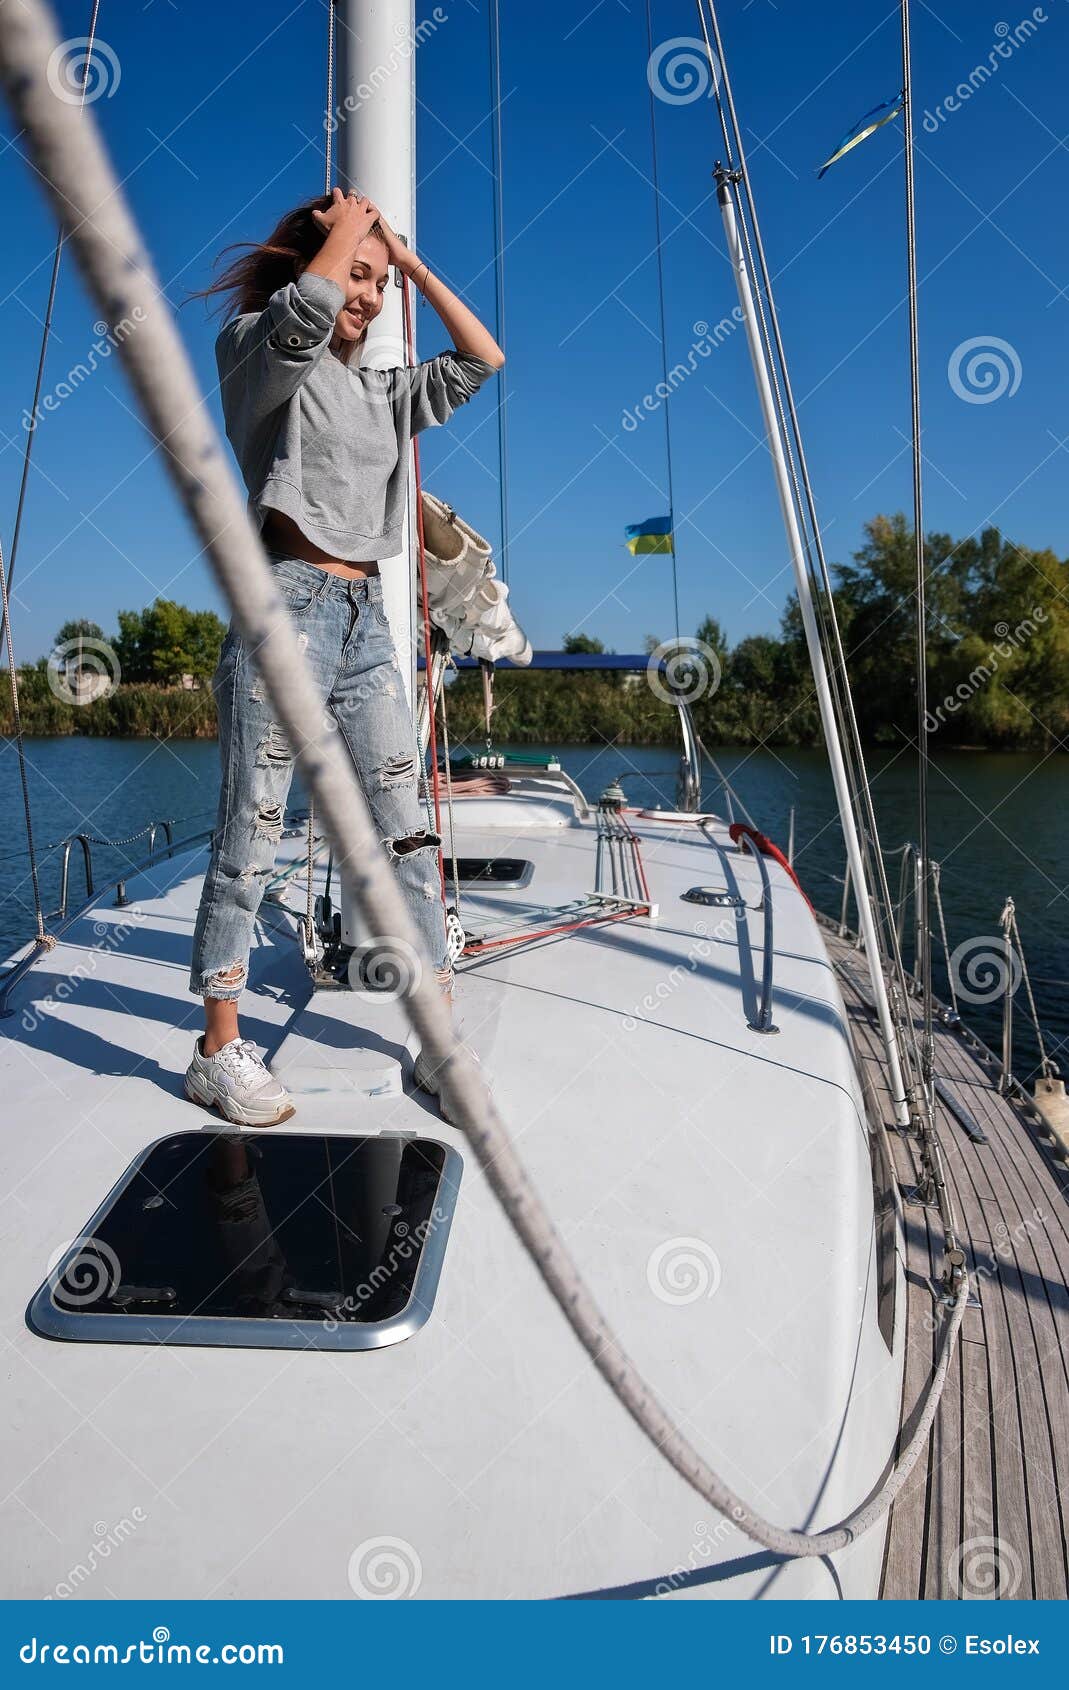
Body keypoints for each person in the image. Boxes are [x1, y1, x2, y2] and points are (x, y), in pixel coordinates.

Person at [184, 188, 503, 1125]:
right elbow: (304, 317)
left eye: (375, 286)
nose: (362, 297)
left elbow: (483, 358)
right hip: (286, 604)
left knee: (408, 829)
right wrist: (341, 241)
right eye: (351, 277)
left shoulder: (384, 392)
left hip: (370, 617)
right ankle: (217, 1046)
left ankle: (435, 1042)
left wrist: (403, 262)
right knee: (252, 829)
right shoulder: (256, 353)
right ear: (309, 264)